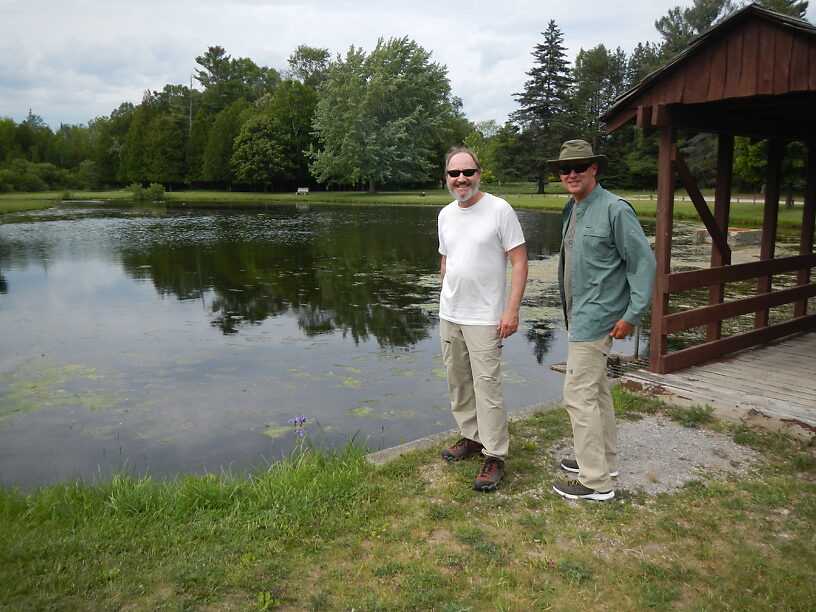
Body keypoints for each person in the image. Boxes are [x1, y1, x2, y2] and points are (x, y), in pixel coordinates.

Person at [550, 139, 655, 501]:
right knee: (596, 392)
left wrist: (632, 315)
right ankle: (604, 462)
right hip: (579, 315)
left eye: (580, 166)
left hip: (598, 320)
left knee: (577, 396)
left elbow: (643, 264)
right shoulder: (573, 208)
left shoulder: (615, 209)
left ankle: (595, 483)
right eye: (565, 169)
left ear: (595, 168)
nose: (572, 173)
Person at [437, 147, 528, 492]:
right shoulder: (445, 214)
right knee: (458, 381)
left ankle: (495, 454)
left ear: (479, 174)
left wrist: (512, 309)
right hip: (451, 314)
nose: (461, 179)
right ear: (446, 178)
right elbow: (446, 259)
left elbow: (519, 261)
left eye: (468, 172)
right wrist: (446, 291)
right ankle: (470, 437)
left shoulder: (499, 210)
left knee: (487, 386)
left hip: (485, 316)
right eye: (454, 173)